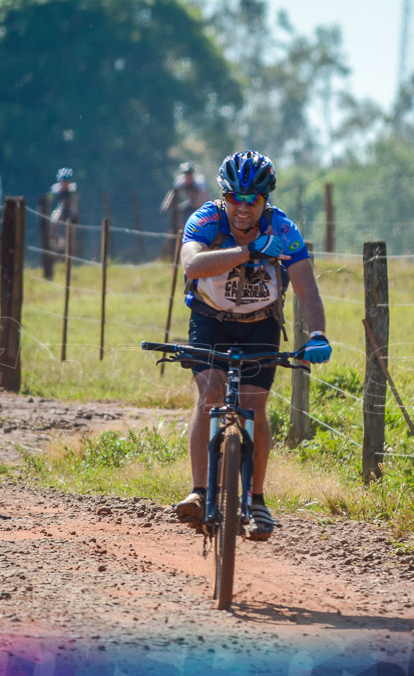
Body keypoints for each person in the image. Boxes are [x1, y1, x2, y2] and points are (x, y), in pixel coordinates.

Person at [174, 151, 331, 541]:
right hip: (210, 320)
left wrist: (317, 334)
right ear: (224, 196)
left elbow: (307, 287)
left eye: (253, 200)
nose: (243, 208)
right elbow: (192, 266)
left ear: (266, 201)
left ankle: (257, 499)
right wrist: (249, 252)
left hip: (260, 324)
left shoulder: (284, 231)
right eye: (236, 199)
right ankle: (199, 490)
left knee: (255, 406)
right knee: (209, 396)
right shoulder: (206, 219)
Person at [160, 162, 210, 229]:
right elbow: (172, 194)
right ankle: (179, 230)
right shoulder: (180, 181)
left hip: (200, 205)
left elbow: (205, 197)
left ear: (192, 175)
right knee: (178, 212)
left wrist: (205, 209)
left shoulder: (199, 183)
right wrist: (165, 206)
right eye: (186, 174)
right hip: (190, 203)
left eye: (189, 174)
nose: (187, 177)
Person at [47, 168, 80, 253]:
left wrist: (73, 215)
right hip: (60, 210)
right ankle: (56, 243)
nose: (64, 183)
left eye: (66, 181)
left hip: (70, 211)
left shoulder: (73, 190)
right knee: (53, 222)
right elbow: (48, 202)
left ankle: (71, 257)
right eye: (62, 181)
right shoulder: (55, 189)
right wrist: (47, 212)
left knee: (72, 234)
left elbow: (74, 204)